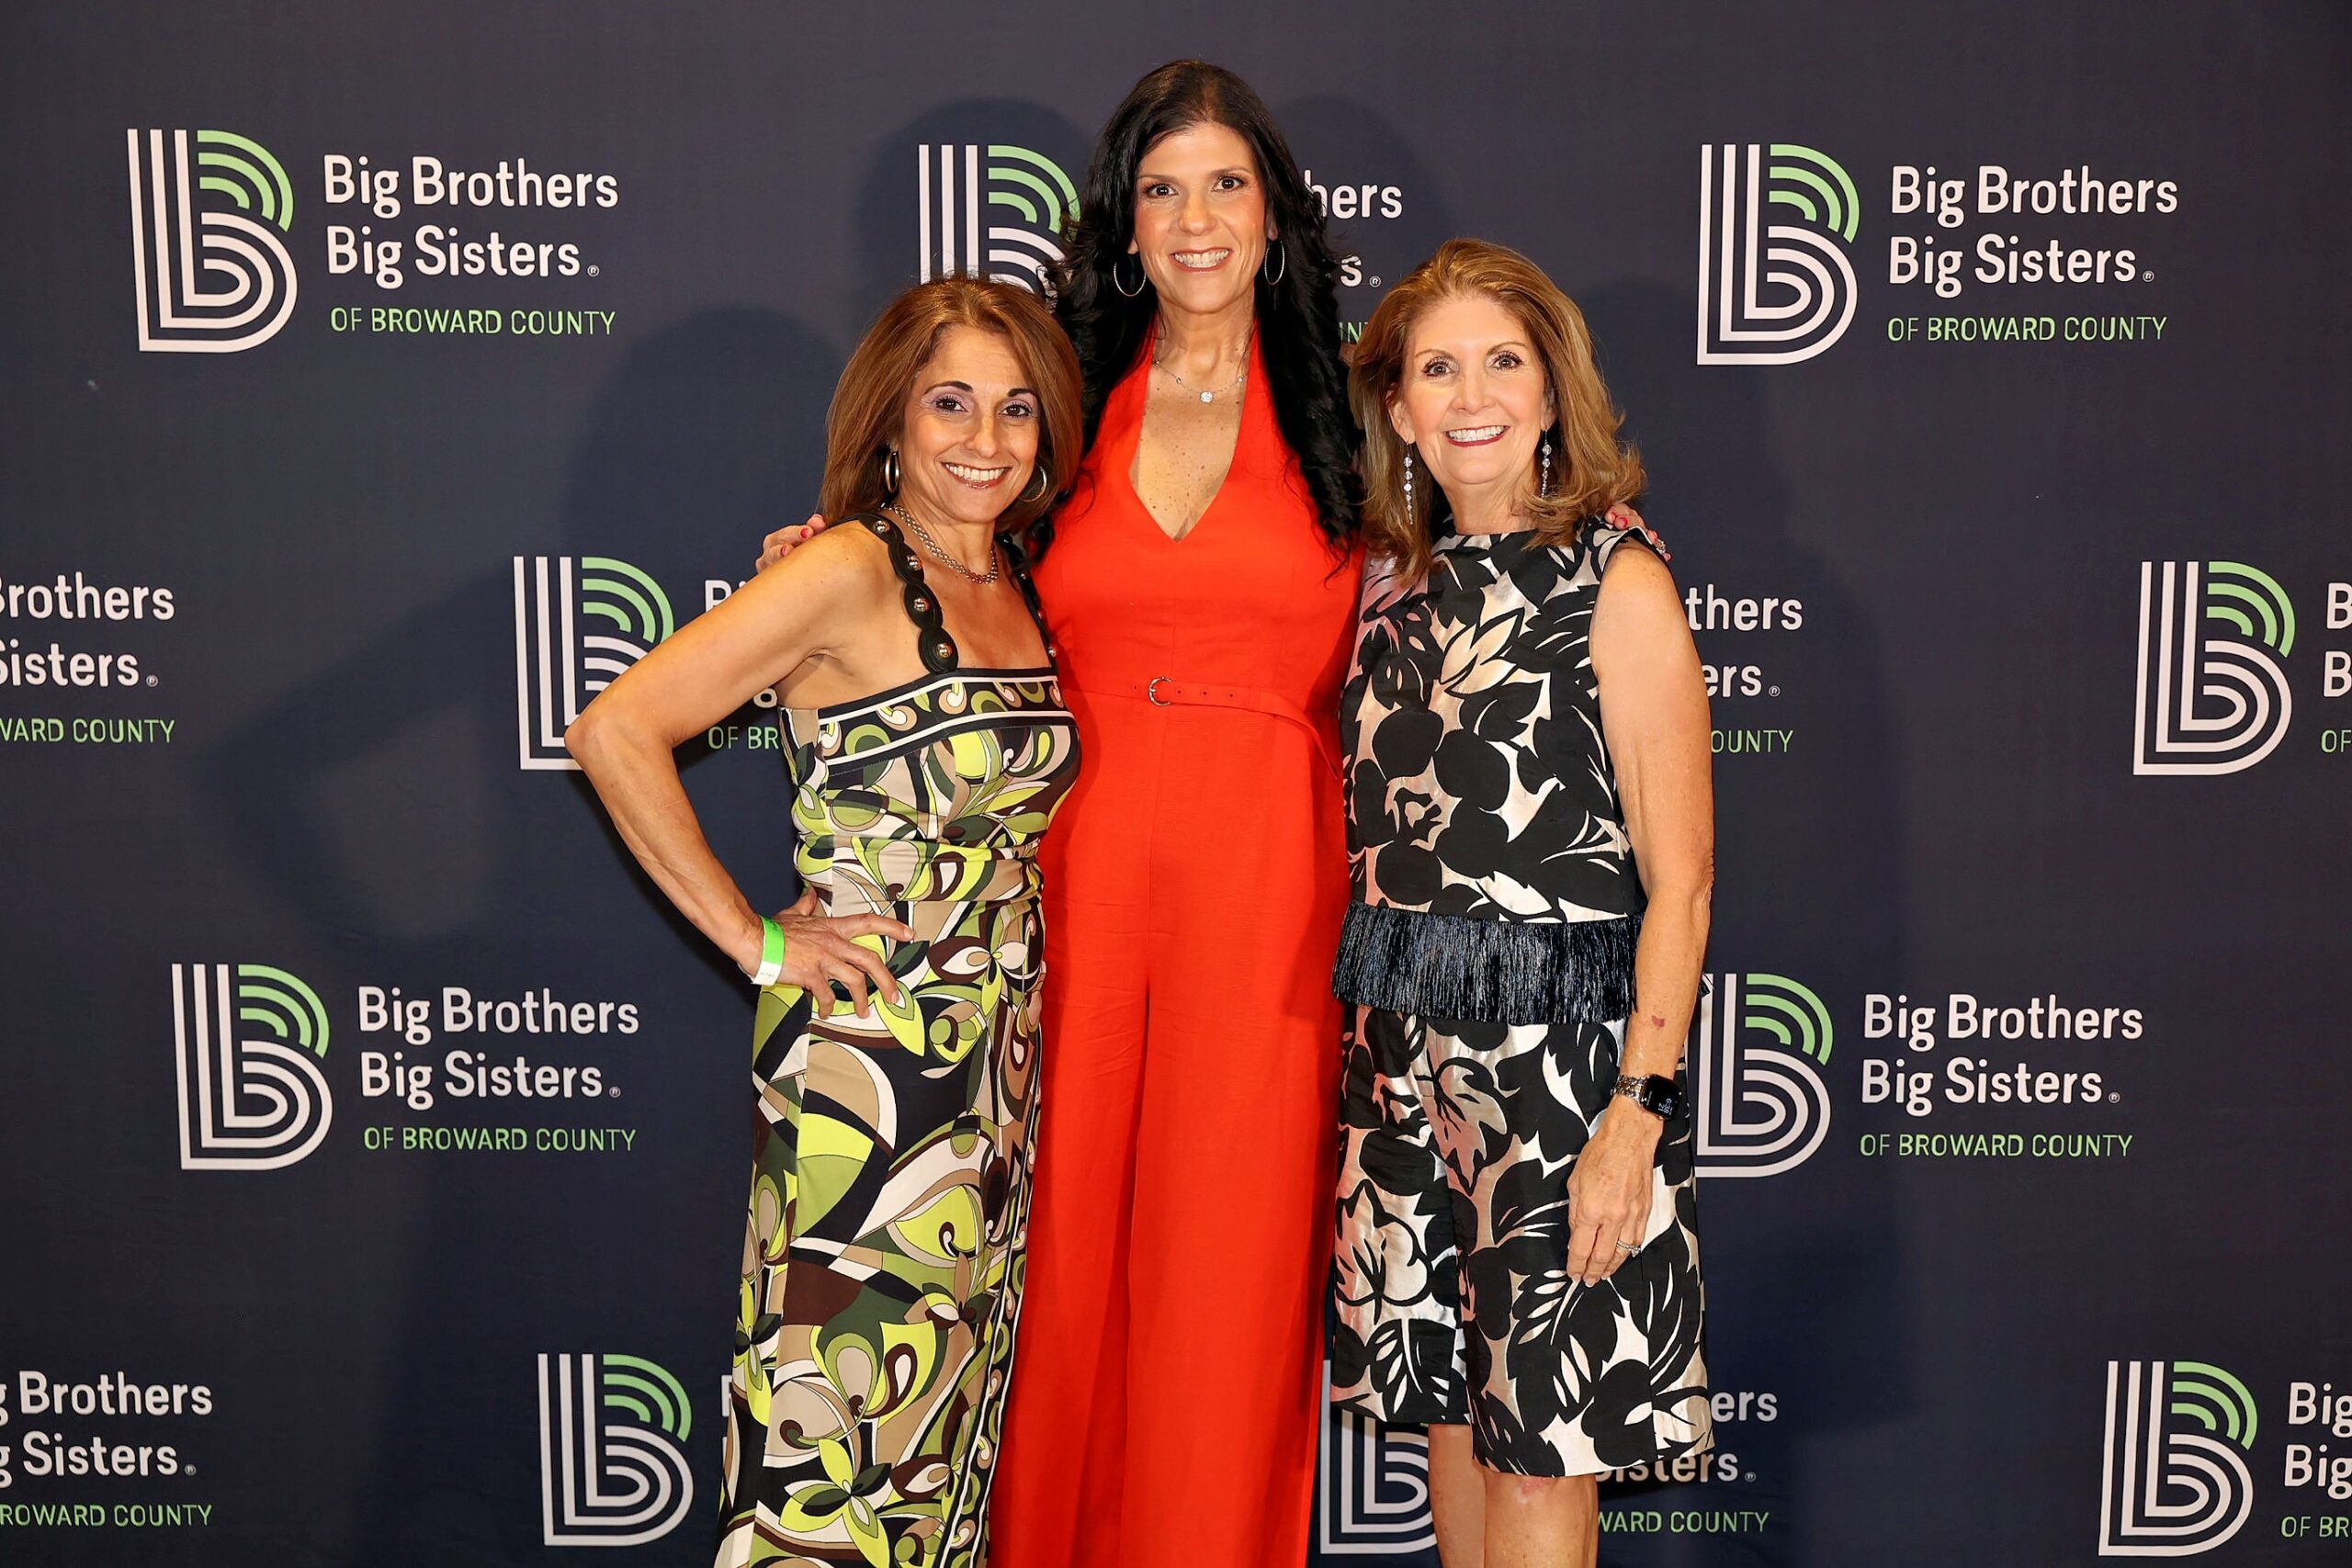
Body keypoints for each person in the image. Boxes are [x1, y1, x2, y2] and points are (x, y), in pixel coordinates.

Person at [762, 58, 1364, 1568]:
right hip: (1067, 890)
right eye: (1161, 188)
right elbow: (943, 552)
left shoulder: (1357, 409)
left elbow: (1486, 526)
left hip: (1269, 898)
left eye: (1226, 183)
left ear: (1276, 218)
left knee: (1226, 1290)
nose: (1195, 217)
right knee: (1055, 1274)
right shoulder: (1065, 396)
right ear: (1123, 222)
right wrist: (820, 556)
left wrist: (1589, 517)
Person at [566, 276, 1085, 1568]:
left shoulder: (1018, 574)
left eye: (1017, 409)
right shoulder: (849, 568)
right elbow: (616, 729)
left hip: (997, 1087)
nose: (986, 437)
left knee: (937, 1452)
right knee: (835, 1447)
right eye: (950, 401)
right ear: (892, 420)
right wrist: (757, 939)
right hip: (871, 1082)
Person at [1329, 239, 1714, 1568]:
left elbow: (1684, 884)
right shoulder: (1383, 590)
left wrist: (1638, 1116)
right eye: (1437, 368)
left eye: (1503, 362)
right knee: (1448, 1413)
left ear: (1553, 395)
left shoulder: (1619, 584)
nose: (1471, 394)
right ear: (1398, 407)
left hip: (1563, 1082)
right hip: (1397, 1072)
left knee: (1544, 1447)